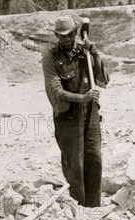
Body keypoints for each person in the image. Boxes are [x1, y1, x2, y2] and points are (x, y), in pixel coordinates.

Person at [42, 16, 109, 207]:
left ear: (75, 33)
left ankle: (94, 207)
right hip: (68, 116)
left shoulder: (84, 53)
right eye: (62, 37)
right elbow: (56, 92)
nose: (67, 40)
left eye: (70, 35)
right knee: (75, 164)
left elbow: (103, 80)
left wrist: (95, 54)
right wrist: (82, 97)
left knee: (94, 159)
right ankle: (78, 207)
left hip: (91, 113)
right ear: (56, 36)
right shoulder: (50, 58)